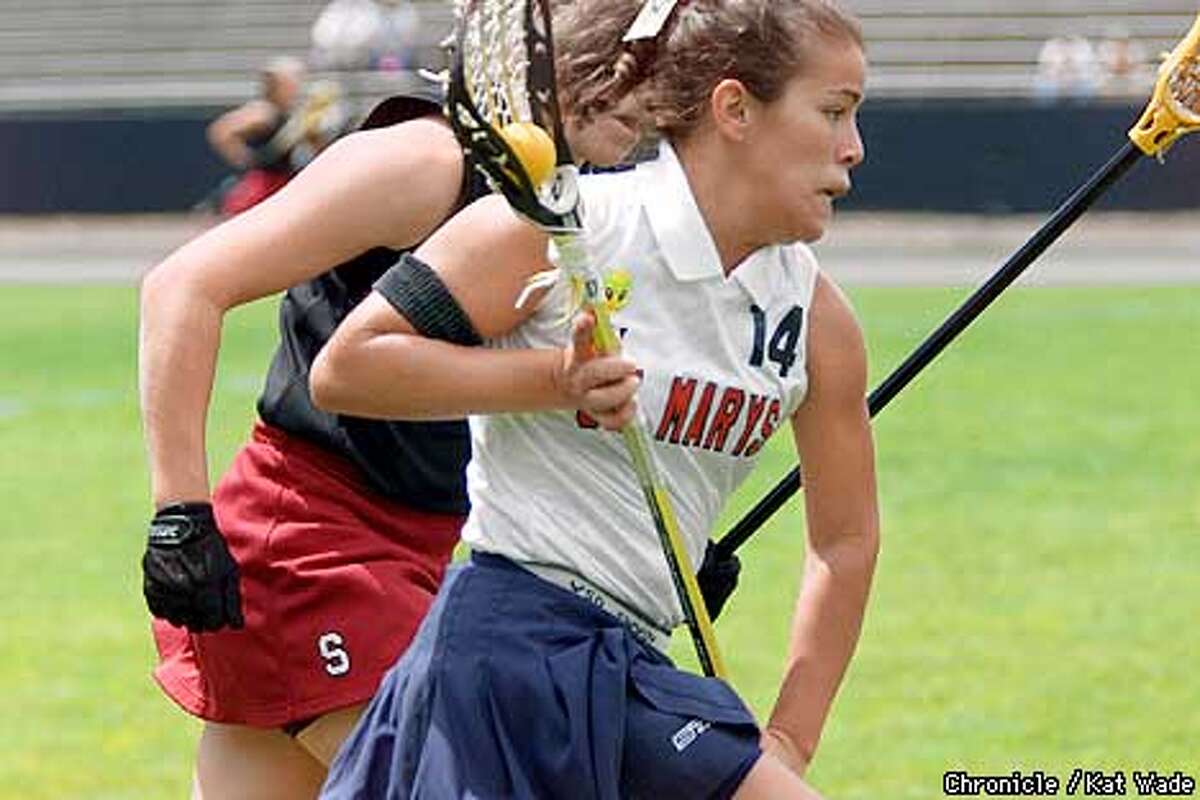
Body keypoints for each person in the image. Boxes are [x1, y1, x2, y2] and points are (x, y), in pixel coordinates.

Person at [311, 0, 879, 797]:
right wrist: (553, 380)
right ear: (735, 109)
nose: (854, 149)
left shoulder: (818, 322)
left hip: (631, 661)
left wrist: (790, 736)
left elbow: (845, 542)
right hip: (504, 657)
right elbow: (350, 367)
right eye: (834, 112)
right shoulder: (566, 228)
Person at [137, 2, 654, 796]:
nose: (654, 99)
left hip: (423, 550)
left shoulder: (572, 200)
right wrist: (180, 512)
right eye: (630, 68)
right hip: (310, 546)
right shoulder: (424, 162)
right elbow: (182, 286)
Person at [203, 56, 315, 216]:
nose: (297, 86)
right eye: (292, 80)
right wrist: (246, 159)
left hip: (284, 181)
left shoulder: (290, 112)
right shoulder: (264, 111)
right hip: (265, 185)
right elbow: (222, 131)